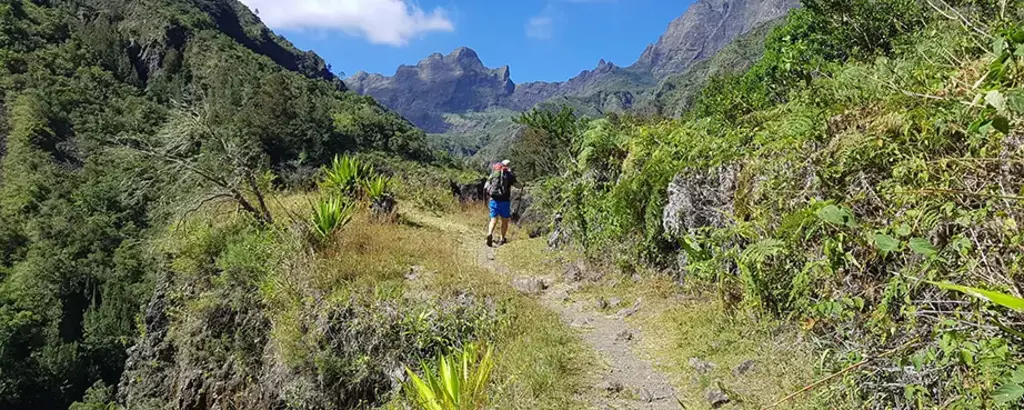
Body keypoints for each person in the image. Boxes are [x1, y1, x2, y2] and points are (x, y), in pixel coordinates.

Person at [484, 159, 517, 247]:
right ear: (508, 166)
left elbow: (486, 185)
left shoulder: (495, 173)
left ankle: (489, 233)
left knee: (493, 219)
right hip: (505, 201)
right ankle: (502, 238)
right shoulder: (509, 175)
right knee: (504, 221)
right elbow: (518, 185)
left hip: (494, 199)